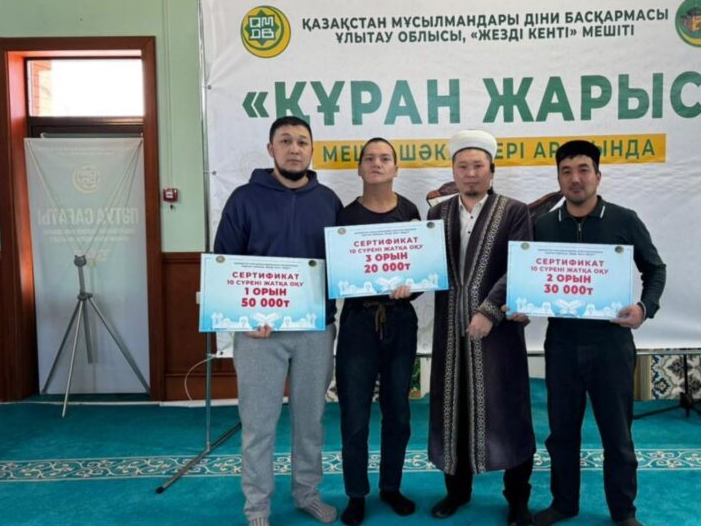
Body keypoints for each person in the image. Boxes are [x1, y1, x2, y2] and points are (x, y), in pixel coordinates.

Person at [213, 116, 342, 526]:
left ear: (312, 150)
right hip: (258, 334)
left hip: (315, 331)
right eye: (285, 141)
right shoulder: (243, 199)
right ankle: (257, 507)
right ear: (271, 149)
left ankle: (307, 494)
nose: (294, 148)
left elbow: (342, 266)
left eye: (302, 141)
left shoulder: (328, 201)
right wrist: (244, 316)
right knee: (258, 425)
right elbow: (224, 263)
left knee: (310, 423)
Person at [530, 140, 667, 526]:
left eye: (583, 170)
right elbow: (530, 277)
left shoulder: (624, 219)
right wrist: (523, 305)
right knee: (561, 434)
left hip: (611, 344)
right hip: (561, 343)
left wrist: (644, 308)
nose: (575, 178)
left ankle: (623, 512)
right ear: (559, 179)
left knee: (617, 435)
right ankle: (564, 504)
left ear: (598, 175)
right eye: (567, 171)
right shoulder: (543, 225)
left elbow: (655, 269)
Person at [427, 129, 535, 526]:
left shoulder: (515, 211)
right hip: (450, 332)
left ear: (492, 170)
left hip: (499, 334)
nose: (470, 173)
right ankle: (457, 492)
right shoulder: (437, 214)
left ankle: (517, 500)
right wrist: (403, 280)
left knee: (509, 411)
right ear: (453, 171)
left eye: (478, 166)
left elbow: (520, 264)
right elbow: (427, 266)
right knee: (452, 410)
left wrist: (489, 311)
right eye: (463, 166)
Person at [336, 138, 421, 526]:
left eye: (385, 158)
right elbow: (338, 272)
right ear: (359, 169)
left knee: (398, 411)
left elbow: (422, 268)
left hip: (401, 320)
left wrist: (411, 288)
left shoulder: (410, 212)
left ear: (396, 168)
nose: (377, 163)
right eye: (369, 158)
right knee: (354, 415)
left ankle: (390, 486)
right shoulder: (345, 217)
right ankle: (356, 494)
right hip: (358, 321)